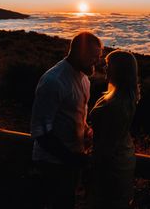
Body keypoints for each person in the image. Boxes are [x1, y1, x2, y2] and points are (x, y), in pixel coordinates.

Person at [30, 31, 103, 208]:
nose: (97, 61)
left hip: (71, 161)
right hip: (52, 164)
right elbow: (40, 132)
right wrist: (73, 159)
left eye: (99, 56)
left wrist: (86, 131)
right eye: (93, 56)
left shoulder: (84, 78)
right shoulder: (54, 81)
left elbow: (75, 114)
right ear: (79, 54)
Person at [88, 50, 140, 209]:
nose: (105, 68)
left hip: (112, 167)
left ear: (119, 70)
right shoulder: (121, 96)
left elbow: (107, 145)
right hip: (122, 158)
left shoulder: (116, 104)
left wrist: (92, 166)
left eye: (109, 65)